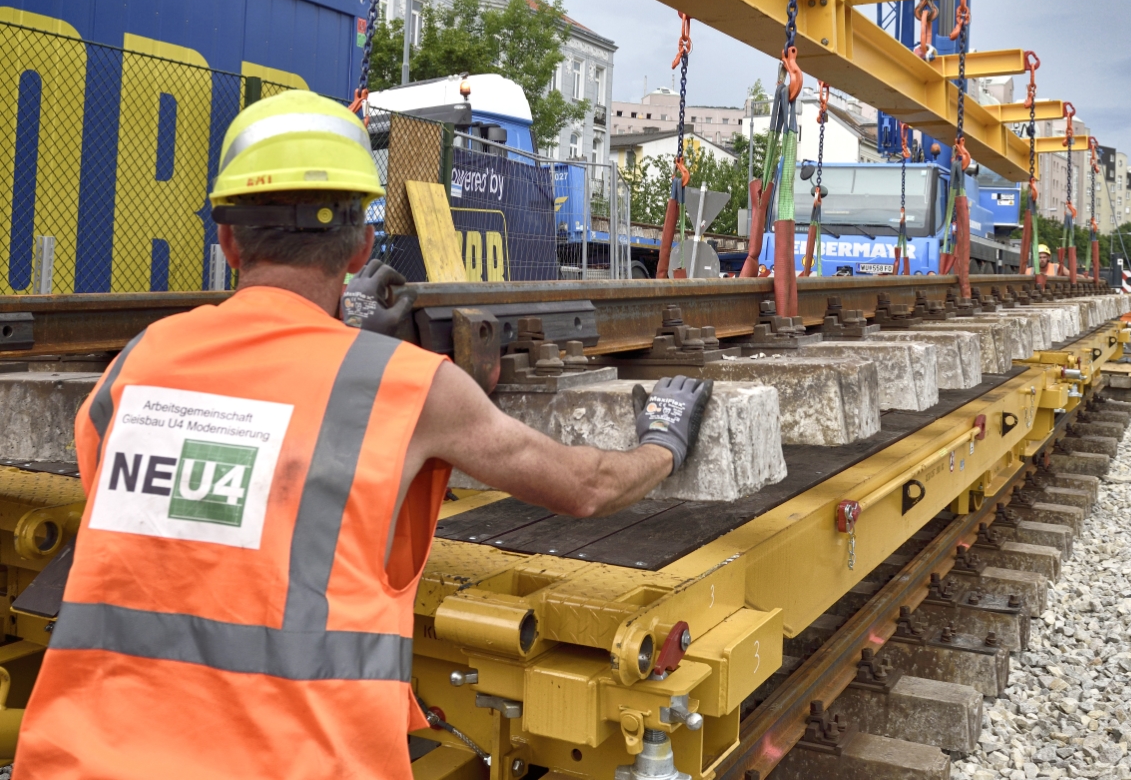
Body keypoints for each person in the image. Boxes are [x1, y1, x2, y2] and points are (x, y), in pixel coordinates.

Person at [12, 91, 713, 778]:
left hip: (85, 758)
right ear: (360, 249)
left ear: (226, 238)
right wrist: (662, 444)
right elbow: (584, 488)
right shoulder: (405, 385)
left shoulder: (136, 364)